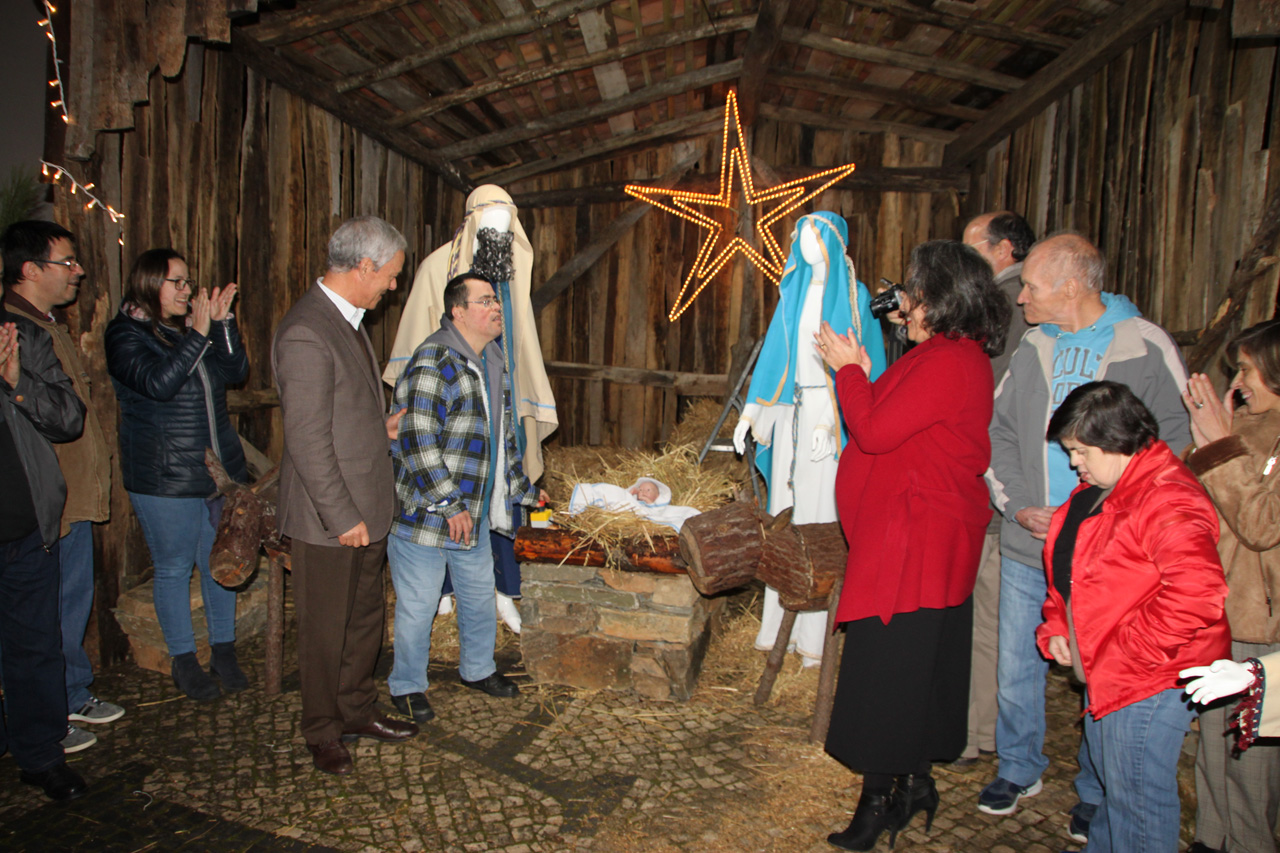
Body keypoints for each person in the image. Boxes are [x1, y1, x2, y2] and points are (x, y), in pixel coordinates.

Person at [982, 233, 1191, 836]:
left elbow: (1177, 445)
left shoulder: (1144, 346)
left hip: (1113, 558)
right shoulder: (1032, 348)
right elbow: (999, 436)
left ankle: (1099, 789)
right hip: (1031, 541)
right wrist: (1020, 506)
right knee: (1018, 663)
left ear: (1073, 287)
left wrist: (1116, 521)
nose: (1021, 299)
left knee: (1105, 667)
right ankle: (1019, 765)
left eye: (1032, 287)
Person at [816, 239, 1010, 851]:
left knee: (889, 672)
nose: (906, 301)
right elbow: (903, 406)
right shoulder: (951, 354)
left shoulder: (951, 362)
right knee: (923, 667)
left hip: (916, 539)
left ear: (942, 298)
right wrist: (903, 336)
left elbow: (872, 430)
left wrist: (848, 368)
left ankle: (878, 804)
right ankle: (918, 784)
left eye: (915, 292)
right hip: (924, 530)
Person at [1037, 380, 1230, 853]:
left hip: (1148, 678)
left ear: (1114, 439)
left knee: (1139, 803)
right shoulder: (1103, 490)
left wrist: (1124, 651)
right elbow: (1074, 572)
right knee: (1114, 792)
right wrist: (1059, 625)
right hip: (1112, 672)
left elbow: (1198, 594)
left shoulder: (1167, 497)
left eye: (1079, 450)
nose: (1073, 462)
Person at [273, 216, 419, 775]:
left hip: (365, 506)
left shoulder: (349, 321)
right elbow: (307, 440)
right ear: (364, 266)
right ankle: (321, 729)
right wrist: (342, 517)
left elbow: (335, 415)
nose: (392, 286)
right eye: (390, 276)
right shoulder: (307, 330)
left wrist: (377, 428)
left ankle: (356, 710)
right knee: (323, 628)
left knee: (362, 621)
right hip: (329, 518)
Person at [386, 185, 557, 632]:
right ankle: (441, 594)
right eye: (492, 222)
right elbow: (422, 346)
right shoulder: (434, 269)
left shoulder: (512, 276)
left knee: (501, 483)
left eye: (508, 223)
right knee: (448, 488)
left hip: (503, 393)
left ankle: (500, 591)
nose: (500, 233)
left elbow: (520, 339)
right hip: (451, 408)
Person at [386, 272, 545, 725]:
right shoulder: (435, 360)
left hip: (472, 514)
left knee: (477, 598)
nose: (497, 307)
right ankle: (407, 685)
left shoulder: (492, 360)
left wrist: (524, 490)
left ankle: (477, 670)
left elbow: (501, 441)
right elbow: (416, 437)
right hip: (428, 514)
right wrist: (448, 503)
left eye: (497, 299)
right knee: (418, 606)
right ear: (458, 311)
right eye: (485, 300)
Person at [733, 211, 884, 668]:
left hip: (828, 413)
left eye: (815, 234)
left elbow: (865, 362)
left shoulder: (854, 297)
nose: (805, 242)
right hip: (792, 410)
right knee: (785, 513)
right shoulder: (792, 294)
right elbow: (776, 358)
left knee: (821, 515)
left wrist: (835, 421)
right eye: (799, 234)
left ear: (836, 242)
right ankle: (776, 623)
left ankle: (815, 637)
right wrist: (756, 409)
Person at [105, 249, 250, 702]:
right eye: (177, 282)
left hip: (215, 472)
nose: (187, 291)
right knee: (172, 569)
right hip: (164, 477)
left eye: (189, 282)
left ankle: (223, 650)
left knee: (219, 563)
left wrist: (223, 325)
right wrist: (200, 334)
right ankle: (184, 660)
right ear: (149, 285)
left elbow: (236, 372)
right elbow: (159, 384)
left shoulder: (190, 332)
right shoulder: (125, 335)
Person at [1, 221, 119, 754]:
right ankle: (52, 709)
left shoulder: (44, 327)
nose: (78, 271)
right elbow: (59, 418)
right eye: (66, 263)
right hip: (44, 502)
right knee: (42, 620)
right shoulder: (17, 332)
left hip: (69, 493)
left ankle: (68, 694)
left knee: (67, 604)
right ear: (30, 270)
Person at [1179, 319, 1280, 853]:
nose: (1237, 382)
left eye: (1246, 369)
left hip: (1264, 628)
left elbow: (1263, 526)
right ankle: (1210, 842)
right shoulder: (1243, 425)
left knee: (1250, 765)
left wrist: (1219, 445)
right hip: (1219, 611)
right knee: (1215, 757)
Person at [0, 302, 89, 800]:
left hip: (28, 526)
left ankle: (40, 756)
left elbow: (69, 417)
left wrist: (17, 381)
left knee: (35, 646)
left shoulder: (24, 338)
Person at [957, 210, 1035, 767]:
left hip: (999, 490)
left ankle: (982, 734)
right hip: (1004, 487)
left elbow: (988, 402)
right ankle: (984, 732)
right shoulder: (1008, 306)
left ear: (1004, 249)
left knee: (990, 617)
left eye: (972, 248)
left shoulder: (1009, 309)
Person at [567, 476, 701, 532]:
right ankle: (590, 495)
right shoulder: (635, 501)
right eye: (641, 489)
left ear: (658, 495)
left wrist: (647, 502)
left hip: (647, 513)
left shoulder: (656, 504)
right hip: (632, 511)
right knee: (613, 494)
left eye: (648, 490)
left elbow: (655, 511)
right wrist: (630, 494)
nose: (643, 492)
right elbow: (625, 500)